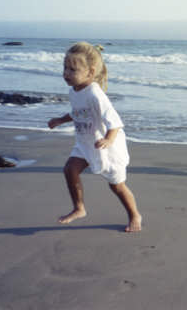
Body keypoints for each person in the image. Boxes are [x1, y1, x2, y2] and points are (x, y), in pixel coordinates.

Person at [48, 42, 142, 232]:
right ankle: (79, 208)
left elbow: (115, 122)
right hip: (85, 143)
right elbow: (78, 112)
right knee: (69, 169)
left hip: (107, 147)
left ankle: (134, 215)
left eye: (73, 69)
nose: (66, 73)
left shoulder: (95, 94)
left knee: (117, 186)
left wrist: (108, 139)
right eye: (65, 68)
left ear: (90, 73)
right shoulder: (74, 91)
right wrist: (60, 119)